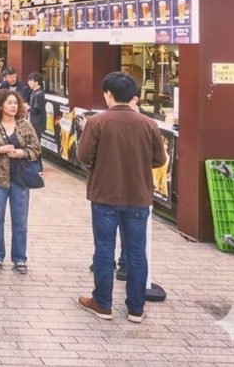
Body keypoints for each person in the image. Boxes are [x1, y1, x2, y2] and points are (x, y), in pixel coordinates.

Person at [76, 72, 167, 324]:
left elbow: (83, 156)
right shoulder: (149, 124)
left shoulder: (98, 121)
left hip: (104, 195)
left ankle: (102, 304)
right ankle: (136, 308)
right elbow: (159, 160)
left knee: (104, 250)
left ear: (108, 94)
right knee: (137, 253)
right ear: (133, 96)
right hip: (138, 196)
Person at [0, 90, 40, 275]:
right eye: (9, 103)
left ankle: (20, 258)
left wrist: (23, 153)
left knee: (20, 222)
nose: (13, 106)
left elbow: (36, 149)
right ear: (0, 105)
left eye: (16, 103)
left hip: (20, 180)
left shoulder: (25, 125)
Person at [26, 73, 47, 145]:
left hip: (37, 123)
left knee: (35, 142)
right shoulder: (35, 92)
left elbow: (36, 109)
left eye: (30, 80)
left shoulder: (38, 94)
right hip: (35, 122)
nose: (28, 82)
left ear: (36, 82)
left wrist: (27, 107)